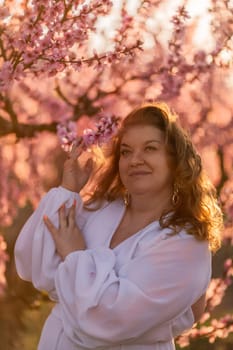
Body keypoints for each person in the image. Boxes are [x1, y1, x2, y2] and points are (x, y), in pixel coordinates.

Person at [14, 102, 223, 350]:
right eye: (125, 151)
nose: (135, 160)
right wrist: (68, 191)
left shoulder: (185, 243)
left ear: (174, 160)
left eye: (150, 148)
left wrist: (75, 256)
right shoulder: (100, 210)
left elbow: (110, 320)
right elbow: (33, 264)